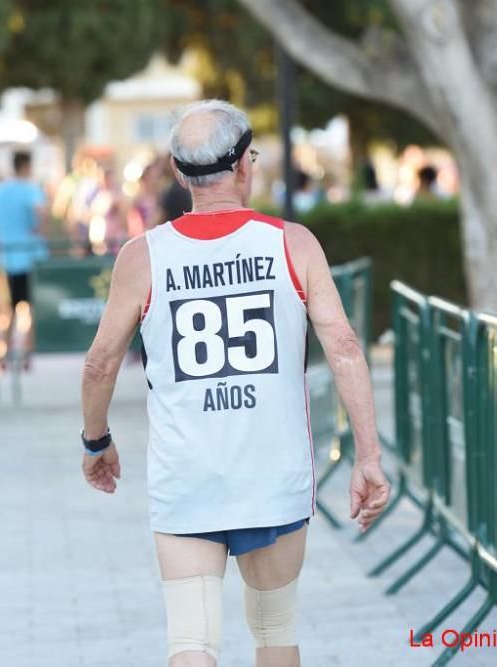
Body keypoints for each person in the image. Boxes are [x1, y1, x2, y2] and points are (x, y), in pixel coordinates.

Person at [80, 100, 390, 666]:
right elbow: (344, 349)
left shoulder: (142, 257)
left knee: (191, 639)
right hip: (273, 472)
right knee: (275, 628)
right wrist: (368, 455)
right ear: (247, 164)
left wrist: (96, 442)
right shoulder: (293, 244)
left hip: (186, 475)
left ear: (178, 173)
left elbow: (100, 364)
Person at [0, 151, 47, 369]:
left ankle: (1, 356)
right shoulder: (30, 189)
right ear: (27, 165)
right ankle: (25, 356)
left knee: (7, 310)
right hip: (29, 256)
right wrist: (39, 229)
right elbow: (41, 212)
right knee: (29, 310)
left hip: (5, 257)